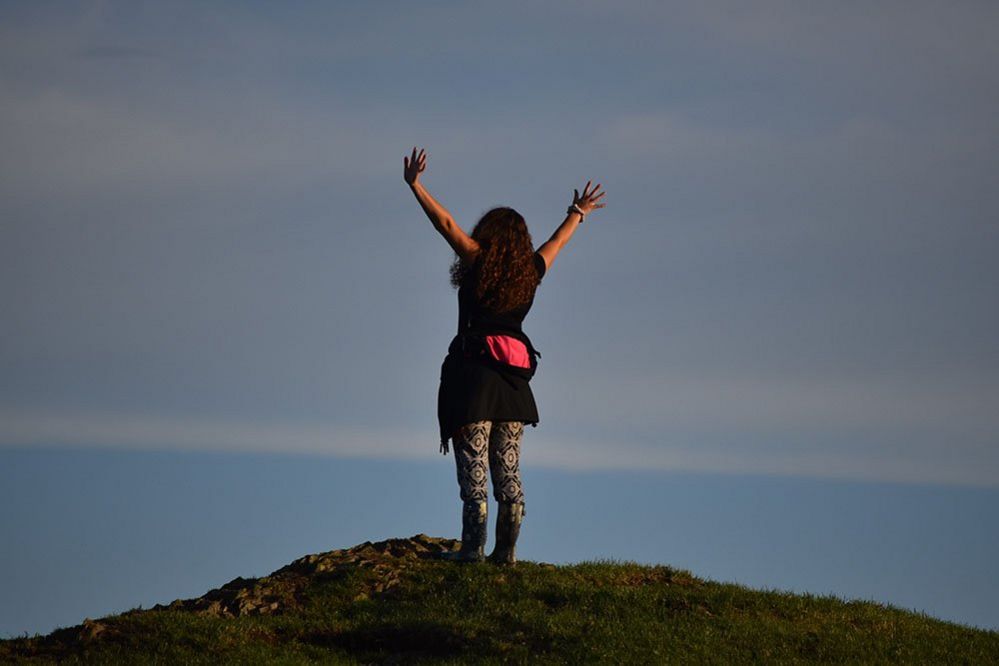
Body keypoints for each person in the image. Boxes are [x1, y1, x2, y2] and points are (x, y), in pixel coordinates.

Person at [403, 146, 606, 564]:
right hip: (515, 387)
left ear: (488, 234)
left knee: (474, 468)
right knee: (507, 468)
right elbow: (558, 240)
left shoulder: (476, 260)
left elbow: (445, 223)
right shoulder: (531, 271)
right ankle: (506, 553)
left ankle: (472, 549)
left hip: (473, 382)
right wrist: (578, 212)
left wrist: (416, 186)